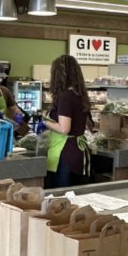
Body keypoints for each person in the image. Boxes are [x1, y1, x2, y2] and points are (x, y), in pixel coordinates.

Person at [41, 54, 91, 188]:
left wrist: (45, 122)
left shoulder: (65, 97)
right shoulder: (80, 95)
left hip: (65, 154)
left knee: (59, 195)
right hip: (78, 151)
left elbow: (64, 129)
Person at [0, 60, 27, 135]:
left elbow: (14, 109)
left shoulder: (4, 91)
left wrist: (18, 115)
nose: (0, 80)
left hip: (2, 131)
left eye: (2, 77)